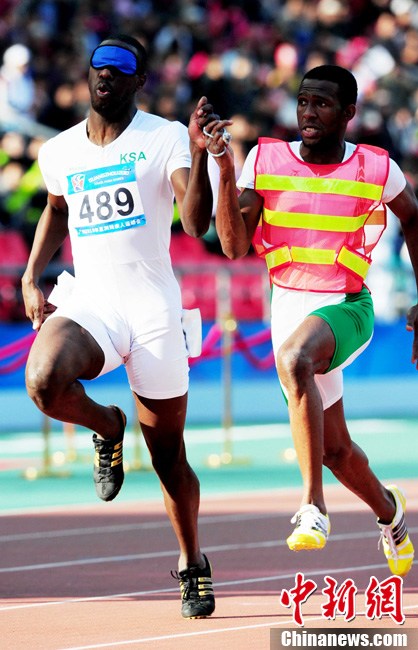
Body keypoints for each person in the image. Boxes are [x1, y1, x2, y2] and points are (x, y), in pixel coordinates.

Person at [21, 34, 216, 618]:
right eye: (99, 64)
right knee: (43, 381)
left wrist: (199, 155)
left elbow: (195, 224)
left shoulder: (164, 137)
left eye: (121, 65)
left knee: (169, 458)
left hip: (153, 309)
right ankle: (108, 425)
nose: (107, 72)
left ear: (139, 80)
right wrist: (31, 276)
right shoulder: (58, 150)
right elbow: (57, 208)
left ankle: (192, 562)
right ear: (88, 75)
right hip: (93, 303)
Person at [206, 64, 417, 577]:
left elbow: (413, 217)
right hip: (288, 309)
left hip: (347, 306)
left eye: (322, 103)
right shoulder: (266, 160)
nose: (308, 112)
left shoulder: (375, 167)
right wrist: (225, 170)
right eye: (303, 101)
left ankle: (311, 507)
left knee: (295, 358)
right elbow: (233, 247)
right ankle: (390, 513)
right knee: (336, 451)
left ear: (348, 113)